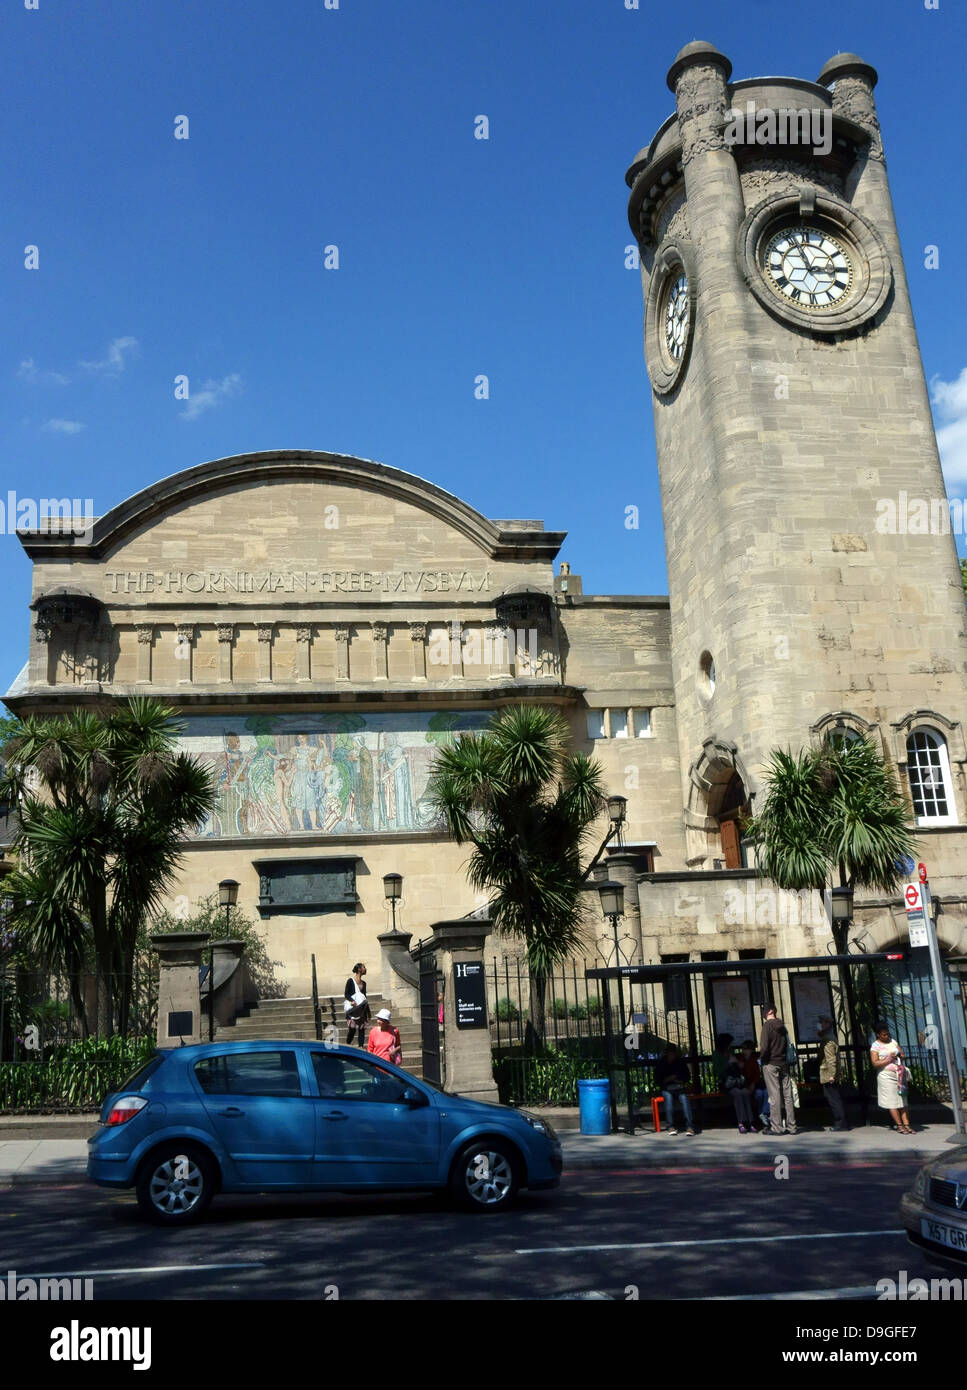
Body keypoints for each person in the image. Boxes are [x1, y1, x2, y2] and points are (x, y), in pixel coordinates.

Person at [758, 1004, 798, 1136]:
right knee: (788, 1096)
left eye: (765, 1011)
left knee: (774, 1096)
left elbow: (764, 1047)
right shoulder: (782, 1026)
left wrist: (762, 1059)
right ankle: (792, 1126)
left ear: (769, 1012)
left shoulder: (767, 1026)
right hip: (783, 1064)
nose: (763, 1014)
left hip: (771, 1064)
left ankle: (777, 1127)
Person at [870, 1020, 912, 1133]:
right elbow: (874, 1063)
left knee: (903, 1099)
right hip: (886, 1075)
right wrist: (887, 1059)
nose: (886, 1036)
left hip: (898, 1074)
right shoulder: (875, 1046)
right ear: (878, 1034)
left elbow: (902, 1054)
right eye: (883, 1034)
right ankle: (899, 1125)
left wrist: (898, 1055)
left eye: (887, 1033)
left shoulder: (893, 1042)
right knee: (892, 1101)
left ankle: (907, 1124)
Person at [654, 1043, 695, 1135]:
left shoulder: (680, 1062)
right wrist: (667, 1079)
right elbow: (657, 1079)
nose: (672, 1055)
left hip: (679, 1087)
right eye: (670, 1053)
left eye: (673, 1053)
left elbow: (687, 1077)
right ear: (667, 1053)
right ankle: (670, 1126)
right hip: (667, 1088)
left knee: (685, 1099)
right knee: (668, 1100)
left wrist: (678, 1079)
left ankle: (689, 1126)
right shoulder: (661, 1063)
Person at [817, 1016, 849, 1132]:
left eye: (821, 1023)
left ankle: (840, 1123)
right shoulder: (829, 1037)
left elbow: (831, 1059)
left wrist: (832, 1075)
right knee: (834, 1097)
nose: (819, 1025)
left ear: (827, 1024)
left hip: (828, 1073)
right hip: (830, 1073)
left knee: (833, 1098)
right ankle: (841, 1122)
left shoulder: (828, 1040)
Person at [738, 1039, 767, 1131]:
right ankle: (759, 1115)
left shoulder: (754, 1059)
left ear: (750, 1050)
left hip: (754, 1083)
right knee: (758, 1094)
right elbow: (739, 1076)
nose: (743, 1050)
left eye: (745, 1048)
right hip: (744, 1084)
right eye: (742, 1049)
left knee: (764, 1093)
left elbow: (757, 1074)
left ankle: (762, 1114)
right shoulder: (740, 1059)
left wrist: (753, 1084)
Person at [344, 961, 370, 1046]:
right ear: (359, 969)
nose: (365, 969)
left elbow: (364, 998)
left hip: (361, 1010)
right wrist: (352, 1000)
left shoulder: (364, 983)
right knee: (352, 1030)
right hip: (353, 1009)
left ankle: (361, 1047)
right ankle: (347, 1044)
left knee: (361, 1030)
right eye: (364, 967)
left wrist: (367, 1012)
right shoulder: (350, 981)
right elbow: (346, 994)